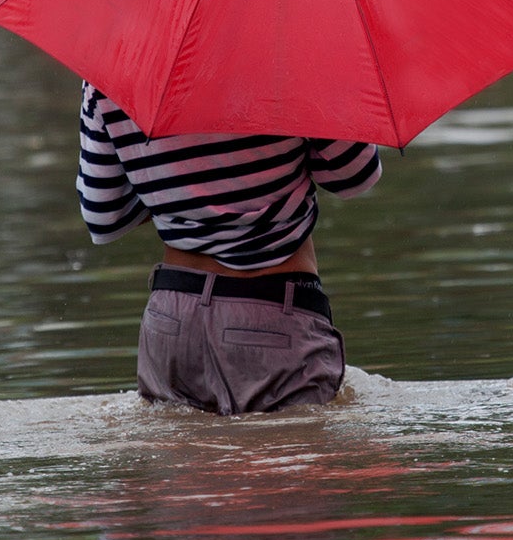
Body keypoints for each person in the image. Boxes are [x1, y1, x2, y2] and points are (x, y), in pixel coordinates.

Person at [75, 81, 382, 414]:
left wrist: (179, 193)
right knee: (290, 456)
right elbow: (355, 175)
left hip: (171, 319)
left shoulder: (113, 73)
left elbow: (104, 214)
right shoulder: (294, 56)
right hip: (271, 310)